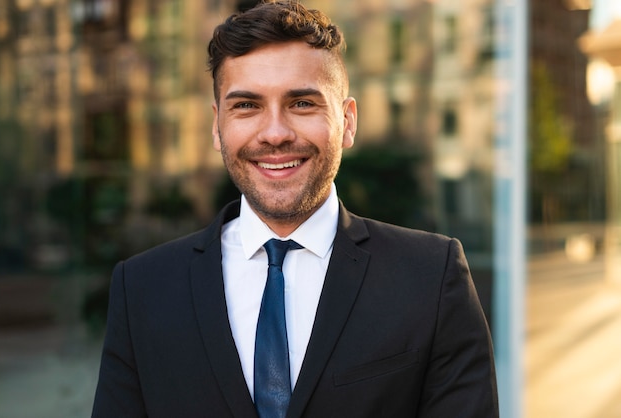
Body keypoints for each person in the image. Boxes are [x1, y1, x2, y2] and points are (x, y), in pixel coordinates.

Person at [91, 1, 499, 417]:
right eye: (246, 106)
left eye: (302, 103)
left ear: (348, 121)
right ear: (217, 127)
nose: (274, 134)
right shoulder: (143, 288)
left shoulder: (431, 276)